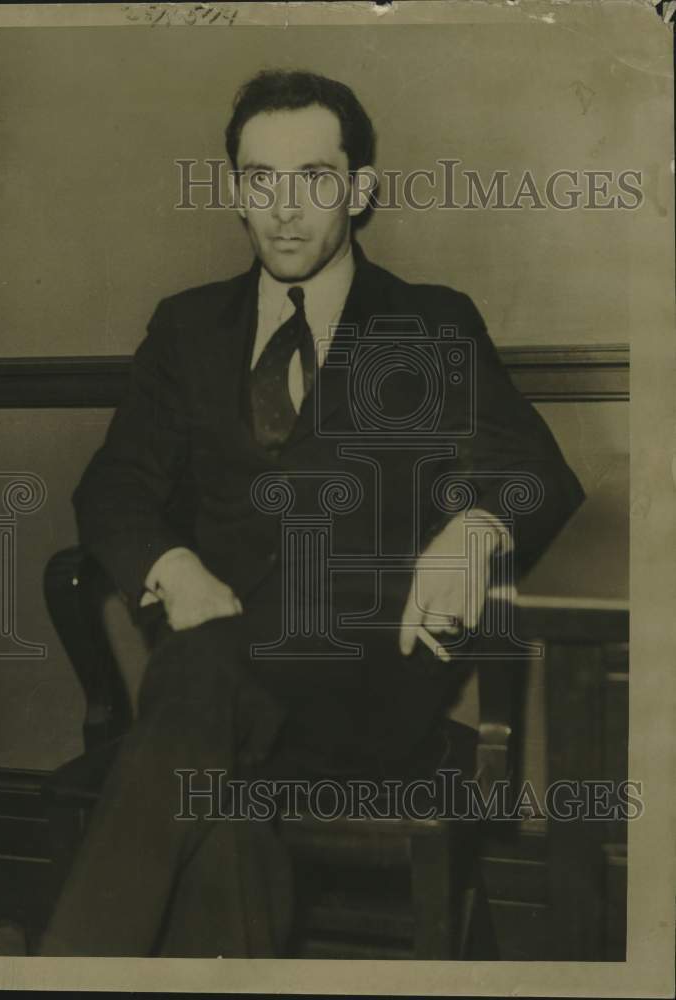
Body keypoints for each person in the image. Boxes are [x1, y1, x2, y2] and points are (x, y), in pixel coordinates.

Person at [38, 69, 584, 958]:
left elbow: (538, 471)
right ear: (232, 191)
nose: (284, 209)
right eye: (259, 180)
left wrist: (473, 528)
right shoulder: (186, 330)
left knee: (198, 679)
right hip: (213, 699)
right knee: (222, 827)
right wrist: (174, 569)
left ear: (359, 189)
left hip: (366, 683)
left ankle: (62, 973)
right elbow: (115, 485)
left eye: (314, 179)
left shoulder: (428, 321)